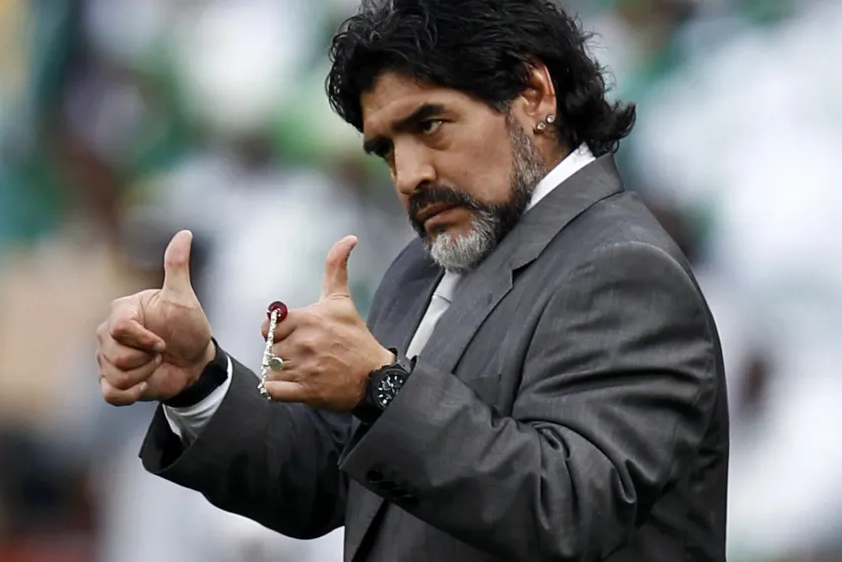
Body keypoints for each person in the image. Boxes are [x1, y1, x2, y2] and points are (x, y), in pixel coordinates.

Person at [95, 1, 729, 560]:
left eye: (430, 125)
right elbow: (337, 482)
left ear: (535, 95)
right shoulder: (422, 267)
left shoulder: (622, 265)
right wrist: (199, 380)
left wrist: (380, 386)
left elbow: (570, 508)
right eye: (387, 148)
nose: (407, 174)